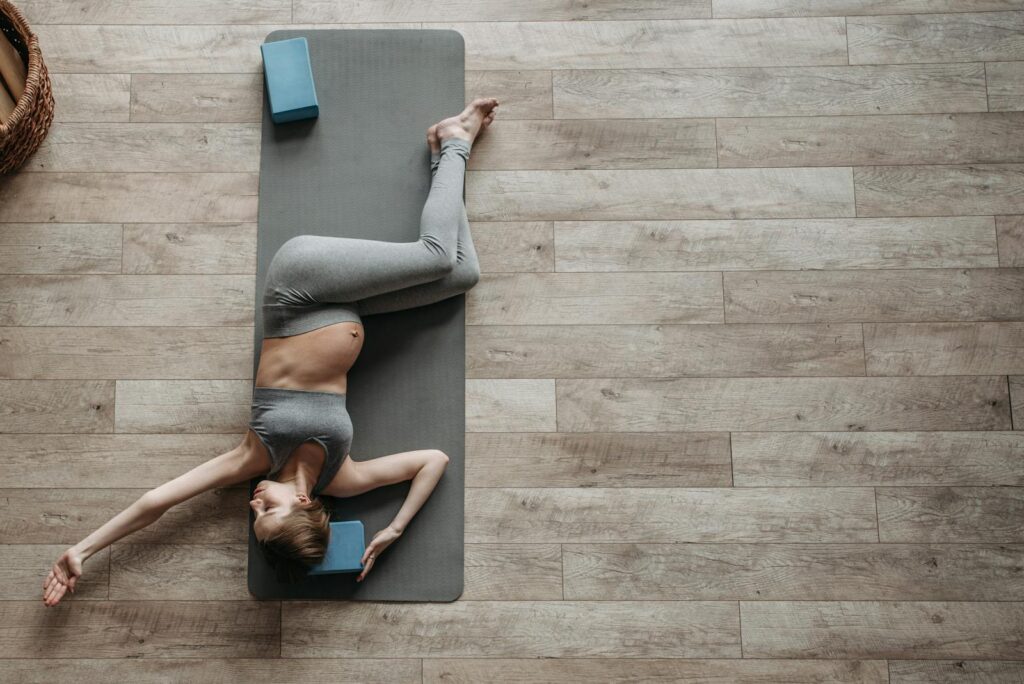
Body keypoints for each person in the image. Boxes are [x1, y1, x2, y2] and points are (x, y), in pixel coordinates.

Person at [42, 98, 500, 606]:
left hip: (298, 289)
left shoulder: (255, 456)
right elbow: (432, 460)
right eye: (269, 513)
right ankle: (447, 146)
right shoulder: (342, 478)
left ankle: (453, 141)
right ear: (304, 502)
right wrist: (394, 528)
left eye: (254, 518)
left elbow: (159, 501)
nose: (254, 506)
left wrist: (82, 548)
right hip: (338, 299)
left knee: (440, 260)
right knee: (458, 270)